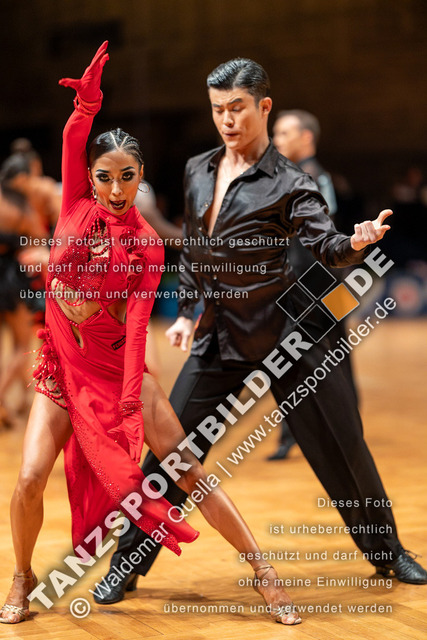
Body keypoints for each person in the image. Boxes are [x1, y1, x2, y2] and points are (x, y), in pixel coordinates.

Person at [97, 56, 427, 606]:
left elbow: (326, 245)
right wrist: (188, 311)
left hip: (288, 339)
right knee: (172, 456)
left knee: (343, 448)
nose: (227, 120)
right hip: (220, 339)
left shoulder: (291, 182)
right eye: (217, 110)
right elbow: (196, 250)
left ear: (263, 106)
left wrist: (355, 242)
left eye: (237, 108)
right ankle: (126, 564)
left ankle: (388, 551)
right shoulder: (198, 169)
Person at [0, 43, 305, 627]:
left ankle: (264, 572)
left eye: (128, 177)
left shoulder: (145, 244)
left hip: (118, 372)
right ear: (89, 176)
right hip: (62, 369)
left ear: (141, 177)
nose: (116, 189)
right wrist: (86, 107)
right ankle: (22, 576)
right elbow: (72, 137)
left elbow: (138, 326)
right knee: (30, 477)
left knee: (190, 471)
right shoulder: (73, 203)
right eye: (105, 177)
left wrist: (127, 407)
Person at [267, 109, 358, 460]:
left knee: (299, 357)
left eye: (283, 133)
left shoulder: (306, 178)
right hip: (326, 280)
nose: (276, 140)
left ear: (306, 137)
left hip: (313, 282)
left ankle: (297, 435)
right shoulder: (314, 176)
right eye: (275, 133)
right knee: (335, 354)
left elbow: (316, 237)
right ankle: (343, 430)